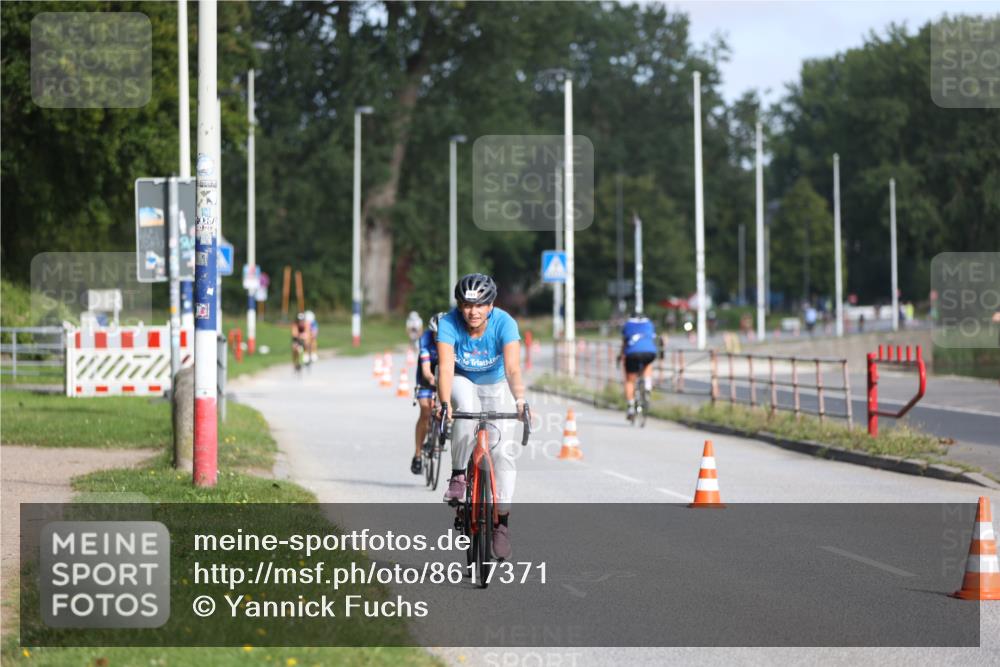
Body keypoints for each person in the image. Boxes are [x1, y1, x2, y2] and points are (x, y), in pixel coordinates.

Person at [436, 273, 525, 561]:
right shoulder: (449, 323)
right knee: (464, 408)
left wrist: (520, 400)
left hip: (497, 384)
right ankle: (459, 474)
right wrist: (444, 401)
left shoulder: (505, 323)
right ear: (459, 306)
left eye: (479, 305)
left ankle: (502, 524)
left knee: (503, 456)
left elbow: (512, 369)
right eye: (466, 305)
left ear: (490, 305)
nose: (472, 312)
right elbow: (447, 367)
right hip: (461, 380)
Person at [411, 311, 446, 475]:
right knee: (425, 411)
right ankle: (418, 454)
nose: (438, 337)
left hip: (444, 375)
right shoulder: (425, 341)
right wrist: (433, 380)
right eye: (436, 334)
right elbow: (426, 371)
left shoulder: (453, 341)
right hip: (427, 378)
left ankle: (443, 428)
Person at [619, 311, 657, 421]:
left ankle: (630, 407)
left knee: (630, 380)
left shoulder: (628, 325)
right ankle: (647, 385)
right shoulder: (649, 324)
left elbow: (625, 343)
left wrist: (621, 356)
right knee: (647, 364)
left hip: (632, 353)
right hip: (650, 352)